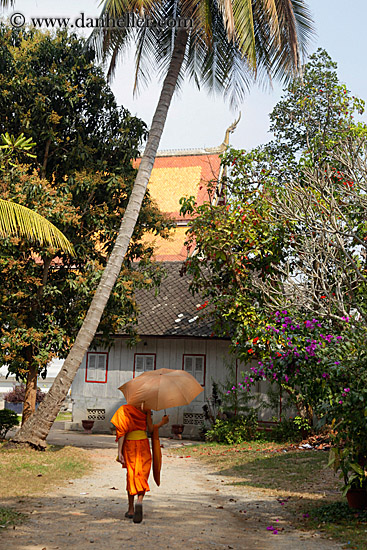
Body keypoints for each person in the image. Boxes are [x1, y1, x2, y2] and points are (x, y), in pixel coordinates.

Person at [111, 404, 169, 523]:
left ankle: (131, 509)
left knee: (132, 474)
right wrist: (162, 422)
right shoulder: (146, 409)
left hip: (130, 445)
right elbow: (150, 429)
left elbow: (121, 432)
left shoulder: (124, 409)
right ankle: (140, 502)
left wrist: (119, 451)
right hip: (143, 444)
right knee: (142, 474)